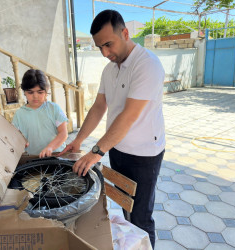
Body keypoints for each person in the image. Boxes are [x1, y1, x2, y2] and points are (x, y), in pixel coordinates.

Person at [59, 10, 165, 249]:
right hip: (118, 149)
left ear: (125, 33)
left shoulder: (147, 65)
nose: (105, 53)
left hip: (144, 154)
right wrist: (79, 141)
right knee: (127, 211)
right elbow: (98, 107)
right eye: (100, 47)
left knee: (140, 216)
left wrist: (96, 152)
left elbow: (128, 117)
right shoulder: (110, 69)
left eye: (108, 44)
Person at [12, 69, 68, 158]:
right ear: (24, 92)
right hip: (33, 159)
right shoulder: (19, 115)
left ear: (46, 91)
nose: (35, 96)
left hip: (57, 156)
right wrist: (21, 142)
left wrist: (50, 148)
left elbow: (63, 133)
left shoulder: (54, 109)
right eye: (30, 92)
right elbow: (15, 137)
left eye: (40, 92)